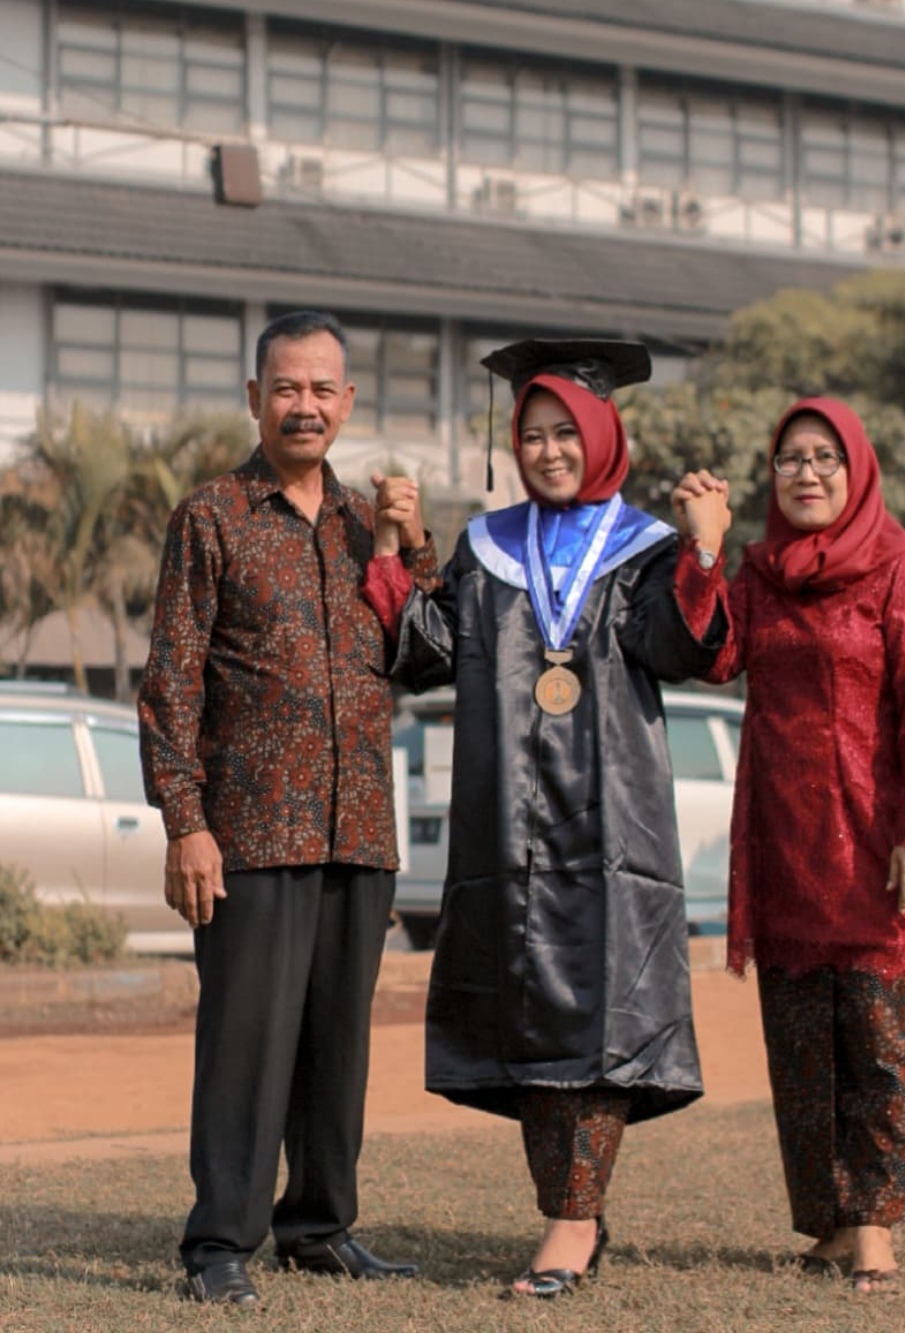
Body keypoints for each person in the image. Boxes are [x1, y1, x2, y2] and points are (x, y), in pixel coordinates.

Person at [366, 338, 727, 1297]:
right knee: (530, 1012)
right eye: (533, 433)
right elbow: (425, 651)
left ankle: (571, 1223)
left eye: (569, 431)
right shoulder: (488, 550)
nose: (550, 449)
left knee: (602, 1009)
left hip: (615, 826)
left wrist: (703, 546)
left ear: (605, 434)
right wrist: (403, 546)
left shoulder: (646, 548)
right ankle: (576, 1212)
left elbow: (683, 646)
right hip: (510, 824)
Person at [138, 309, 434, 1306]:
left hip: (359, 827)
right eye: (287, 387)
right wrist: (186, 820)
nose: (304, 405)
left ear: (347, 404)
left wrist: (413, 546)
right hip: (253, 828)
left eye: (323, 389)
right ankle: (220, 1240)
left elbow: (423, 657)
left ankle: (320, 1223)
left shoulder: (366, 526)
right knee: (244, 1045)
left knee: (336, 1041)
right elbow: (170, 683)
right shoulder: (212, 516)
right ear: (255, 397)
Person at [673, 397, 905, 1296]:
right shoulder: (759, 574)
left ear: (857, 467)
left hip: (875, 846)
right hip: (788, 844)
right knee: (801, 1046)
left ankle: (874, 1226)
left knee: (879, 1038)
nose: (807, 473)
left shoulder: (899, 570)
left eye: (825, 456)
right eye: (790, 458)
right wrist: (706, 550)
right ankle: (831, 1218)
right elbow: (714, 656)